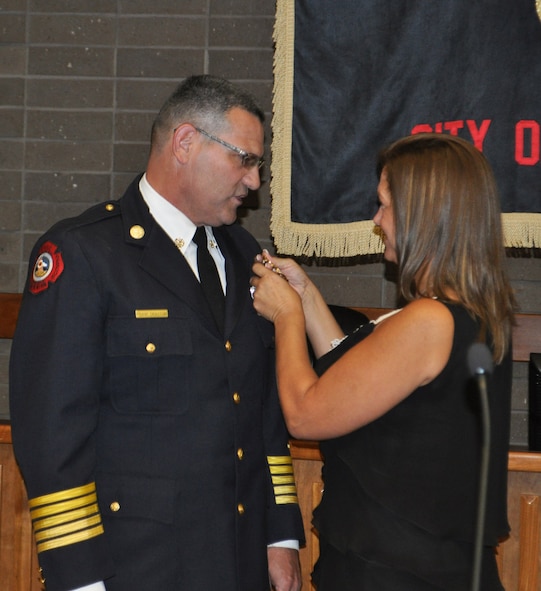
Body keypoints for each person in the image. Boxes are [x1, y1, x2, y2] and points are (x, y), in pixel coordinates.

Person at [9, 75, 303, 591]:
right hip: (138, 566)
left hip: (238, 560)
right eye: (244, 159)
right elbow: (52, 435)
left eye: (258, 164)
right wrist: (81, 579)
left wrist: (279, 538)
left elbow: (261, 416)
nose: (254, 182)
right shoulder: (84, 255)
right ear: (185, 143)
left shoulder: (240, 253)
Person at [250, 133, 516, 590]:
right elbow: (358, 387)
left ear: (423, 214)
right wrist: (308, 298)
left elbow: (306, 411)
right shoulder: (468, 315)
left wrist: (286, 316)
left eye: (385, 205)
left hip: (398, 573)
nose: (378, 221)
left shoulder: (429, 321)